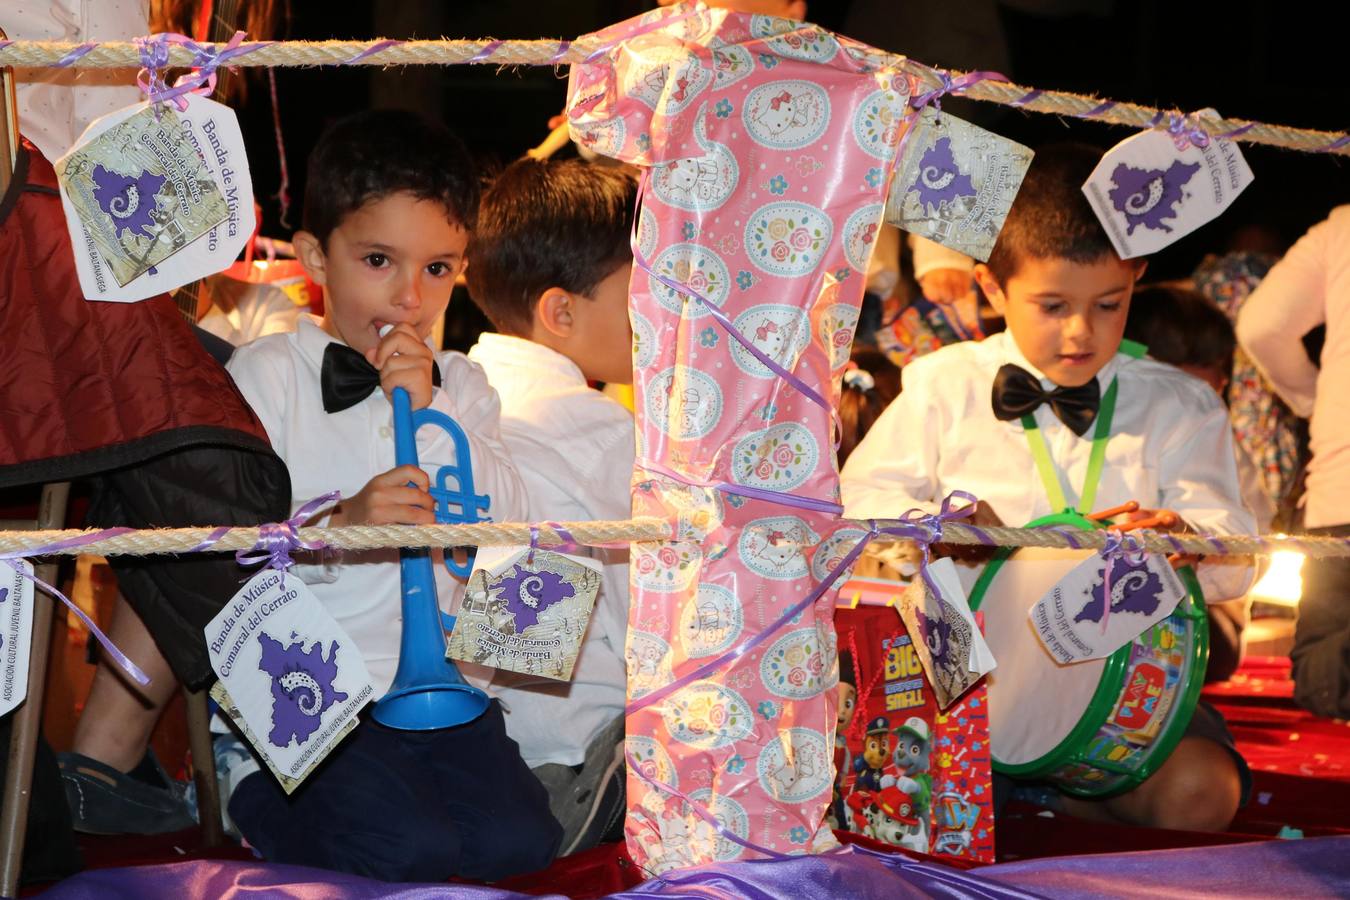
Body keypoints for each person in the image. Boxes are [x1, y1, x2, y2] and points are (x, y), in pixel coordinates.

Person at [841, 144, 1254, 832]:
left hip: (1120, 678)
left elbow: (1238, 559)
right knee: (897, 806)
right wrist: (943, 524)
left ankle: (1052, 791)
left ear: (1138, 281)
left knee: (1200, 794)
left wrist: (1185, 536)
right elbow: (859, 506)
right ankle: (1009, 786)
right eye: (1053, 304)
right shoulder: (946, 382)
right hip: (960, 667)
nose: (1080, 331)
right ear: (994, 289)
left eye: (1109, 304)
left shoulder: (1179, 403)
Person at [223, 110, 560, 882]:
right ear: (314, 255)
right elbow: (229, 557)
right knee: (406, 853)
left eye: (439, 269)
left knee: (523, 846)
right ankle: (253, 798)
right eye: (380, 259)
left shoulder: (467, 384)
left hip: (449, 691)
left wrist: (433, 410)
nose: (412, 297)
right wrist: (340, 527)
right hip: (308, 695)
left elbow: (512, 522)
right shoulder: (267, 376)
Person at [463, 157, 636, 855]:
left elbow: (498, 653)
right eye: (646, 289)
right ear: (560, 311)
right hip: (584, 774)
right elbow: (650, 634)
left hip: (483, 768)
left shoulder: (460, 397)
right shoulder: (593, 428)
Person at [1126, 284, 1274, 681]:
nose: (1222, 383)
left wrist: (1194, 549)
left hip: (1202, 614)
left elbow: (1257, 548)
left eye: (1222, 373)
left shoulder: (1218, 441)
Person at [1236, 206, 1350, 719]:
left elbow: (1262, 326)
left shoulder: (1342, 227)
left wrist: (1314, 402)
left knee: (1328, 674)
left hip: (1342, 478)